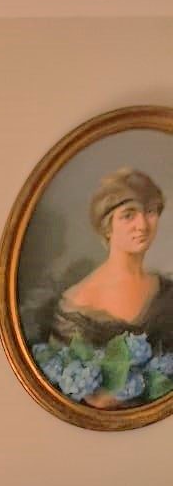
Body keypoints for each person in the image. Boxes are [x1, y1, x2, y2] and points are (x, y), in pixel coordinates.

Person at [48, 169, 173, 403]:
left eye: (150, 211)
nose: (142, 225)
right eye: (128, 215)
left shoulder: (168, 292)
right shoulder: (78, 302)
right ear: (107, 226)